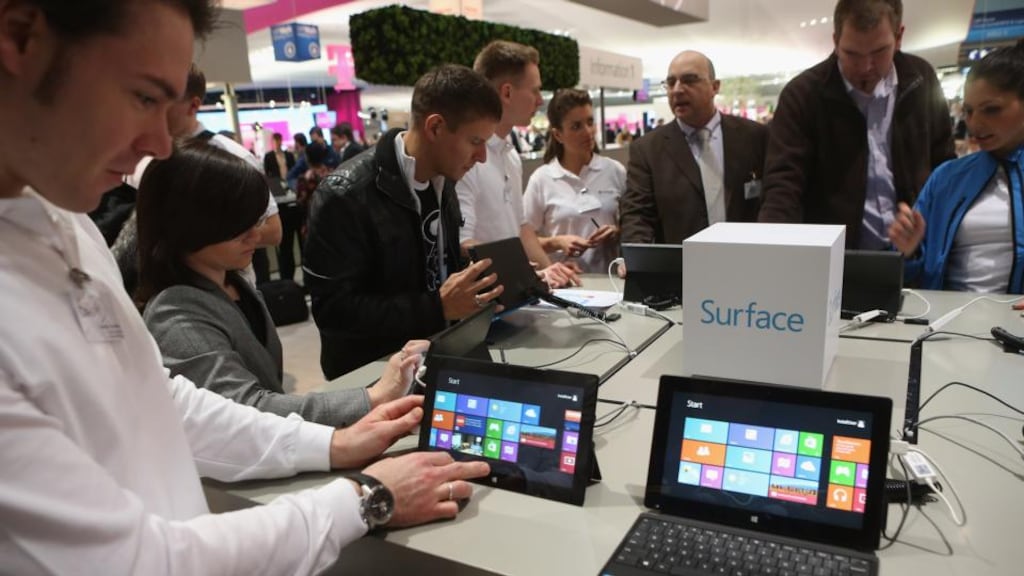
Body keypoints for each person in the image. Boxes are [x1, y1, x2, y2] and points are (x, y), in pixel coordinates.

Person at [0, 2, 488, 574]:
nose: (159, 144)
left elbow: (159, 397)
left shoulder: (67, 223)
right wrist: (364, 498)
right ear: (20, 37)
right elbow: (132, 561)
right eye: (141, 97)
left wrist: (330, 445)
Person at [137, 141, 425, 425]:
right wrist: (372, 397)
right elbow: (244, 412)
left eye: (254, 218)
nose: (256, 234)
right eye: (237, 224)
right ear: (189, 224)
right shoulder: (177, 314)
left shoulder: (233, 282)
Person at [303, 64, 506, 380]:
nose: (481, 157)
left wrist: (481, 286)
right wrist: (436, 306)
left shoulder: (445, 179)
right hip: (372, 378)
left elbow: (432, 268)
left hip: (436, 359)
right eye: (475, 141)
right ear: (435, 127)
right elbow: (334, 313)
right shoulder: (345, 194)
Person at [758, 0, 954, 249]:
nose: (865, 67)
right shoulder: (803, 94)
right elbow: (783, 184)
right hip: (833, 259)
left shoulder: (921, 78)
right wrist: (772, 248)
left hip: (913, 252)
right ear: (835, 40)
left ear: (899, 37)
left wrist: (932, 227)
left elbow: (944, 165)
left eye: (879, 51)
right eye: (852, 53)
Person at [888, 40, 1024, 293]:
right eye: (969, 111)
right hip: (945, 323)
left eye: (991, 110)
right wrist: (909, 249)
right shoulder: (947, 178)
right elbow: (908, 272)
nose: (975, 124)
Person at [456, 40, 580, 288]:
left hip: (516, 297)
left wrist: (549, 273)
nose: (540, 100)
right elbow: (463, 244)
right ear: (507, 93)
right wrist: (526, 274)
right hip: (486, 305)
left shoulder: (510, 155)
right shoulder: (467, 158)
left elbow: (521, 228)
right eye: (534, 91)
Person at [619, 50, 767, 244]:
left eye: (689, 80)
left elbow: (772, 198)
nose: (677, 90)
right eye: (671, 83)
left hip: (748, 261)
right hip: (680, 268)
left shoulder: (754, 136)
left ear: (715, 87)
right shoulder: (647, 150)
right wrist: (637, 258)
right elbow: (637, 215)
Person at [524, 88, 625, 273]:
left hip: (611, 282)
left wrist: (617, 232)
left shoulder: (615, 171)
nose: (588, 132)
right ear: (558, 135)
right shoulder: (541, 179)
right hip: (565, 285)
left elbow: (634, 225)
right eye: (576, 126)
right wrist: (556, 242)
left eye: (590, 122)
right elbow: (524, 239)